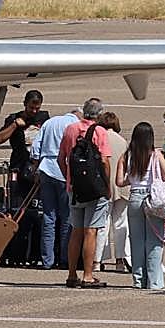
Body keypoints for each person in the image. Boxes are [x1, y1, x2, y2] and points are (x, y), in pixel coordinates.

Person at [57, 97, 111, 289]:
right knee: (91, 231)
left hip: (75, 188)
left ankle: (72, 274)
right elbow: (104, 161)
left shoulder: (70, 129)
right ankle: (88, 274)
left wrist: (68, 179)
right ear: (99, 114)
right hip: (95, 189)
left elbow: (61, 158)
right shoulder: (100, 132)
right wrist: (106, 186)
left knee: (76, 231)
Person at [116, 121, 165, 290]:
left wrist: (132, 179)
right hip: (152, 199)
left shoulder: (127, 155)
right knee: (154, 240)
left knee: (137, 241)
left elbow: (119, 181)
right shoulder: (155, 154)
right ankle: (154, 281)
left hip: (135, 198)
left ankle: (138, 280)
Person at [30, 107, 81, 269]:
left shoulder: (49, 123)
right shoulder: (75, 124)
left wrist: (36, 168)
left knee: (48, 216)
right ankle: (65, 257)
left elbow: (35, 148)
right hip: (63, 170)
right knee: (66, 217)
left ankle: (47, 259)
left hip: (46, 169)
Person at [0, 90, 49, 206]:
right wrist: (14, 125)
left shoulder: (44, 118)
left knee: (37, 204)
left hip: (37, 168)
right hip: (19, 166)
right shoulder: (13, 118)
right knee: (16, 202)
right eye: (31, 108)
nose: (34, 111)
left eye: (37, 108)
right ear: (25, 104)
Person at [94, 111, 131, 273]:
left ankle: (98, 259)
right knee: (121, 224)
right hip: (121, 186)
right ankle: (120, 259)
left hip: (104, 186)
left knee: (103, 224)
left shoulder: (99, 139)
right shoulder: (123, 141)